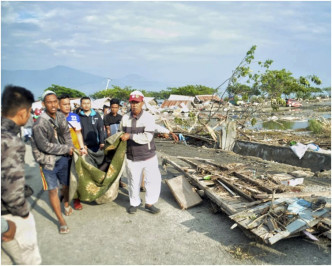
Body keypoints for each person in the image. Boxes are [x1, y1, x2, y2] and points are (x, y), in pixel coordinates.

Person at [1, 85, 42, 264]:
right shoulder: (10, 142)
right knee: (28, 260)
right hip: (9, 215)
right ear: (23, 112)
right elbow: (12, 191)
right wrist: (22, 216)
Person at [31, 90, 74, 234]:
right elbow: (45, 147)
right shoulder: (40, 123)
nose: (53, 105)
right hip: (47, 161)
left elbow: (67, 134)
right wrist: (65, 149)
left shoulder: (61, 116)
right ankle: (61, 220)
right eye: (49, 102)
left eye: (55, 101)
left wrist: (71, 147)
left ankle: (66, 203)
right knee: (53, 190)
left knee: (66, 185)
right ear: (43, 104)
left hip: (62, 159)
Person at [119, 90, 162, 214]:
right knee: (133, 180)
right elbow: (121, 133)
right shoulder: (125, 117)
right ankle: (134, 203)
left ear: (142, 103)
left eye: (137, 102)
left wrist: (130, 136)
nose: (134, 105)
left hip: (148, 155)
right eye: (132, 102)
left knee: (152, 180)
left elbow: (147, 137)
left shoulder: (148, 118)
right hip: (132, 156)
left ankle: (149, 203)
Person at [58, 94, 87, 210]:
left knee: (76, 176)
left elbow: (78, 133)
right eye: (64, 104)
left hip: (75, 152)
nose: (67, 107)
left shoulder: (75, 117)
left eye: (68, 104)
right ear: (58, 106)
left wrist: (82, 148)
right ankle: (65, 197)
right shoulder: (54, 119)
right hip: (61, 153)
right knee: (64, 179)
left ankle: (76, 199)